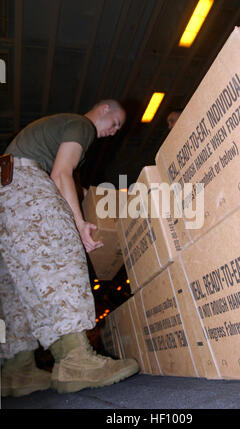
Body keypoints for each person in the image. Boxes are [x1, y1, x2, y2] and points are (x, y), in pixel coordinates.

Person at [0, 100, 139, 397]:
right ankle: (75, 360)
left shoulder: (54, 130)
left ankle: (16, 369)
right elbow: (61, 174)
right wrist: (78, 224)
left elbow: (68, 180)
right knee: (60, 254)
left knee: (18, 281)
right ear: (104, 109)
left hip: (7, 190)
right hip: (23, 182)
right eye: (115, 123)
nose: (114, 132)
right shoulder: (81, 125)